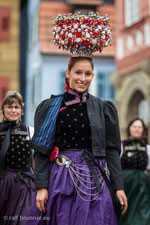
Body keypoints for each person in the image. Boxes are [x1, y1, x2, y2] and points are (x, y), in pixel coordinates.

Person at [27, 11, 127, 225]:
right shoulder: (51, 107)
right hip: (61, 180)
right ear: (68, 73)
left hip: (96, 181)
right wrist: (42, 187)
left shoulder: (104, 108)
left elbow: (112, 151)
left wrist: (118, 187)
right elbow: (42, 153)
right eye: (78, 73)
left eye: (88, 74)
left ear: (93, 75)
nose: (83, 79)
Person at [0, 91, 35, 225]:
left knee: (24, 220)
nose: (13, 110)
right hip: (3, 182)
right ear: (3, 109)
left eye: (17, 107)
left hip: (25, 184)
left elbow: (35, 160)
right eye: (9, 107)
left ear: (21, 110)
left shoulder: (30, 131)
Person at [119, 117, 150, 225]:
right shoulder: (121, 146)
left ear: (143, 130)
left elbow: (149, 169)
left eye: (140, 127)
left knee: (143, 212)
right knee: (125, 212)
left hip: (142, 185)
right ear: (129, 129)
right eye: (135, 126)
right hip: (125, 183)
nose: (137, 129)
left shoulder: (147, 148)